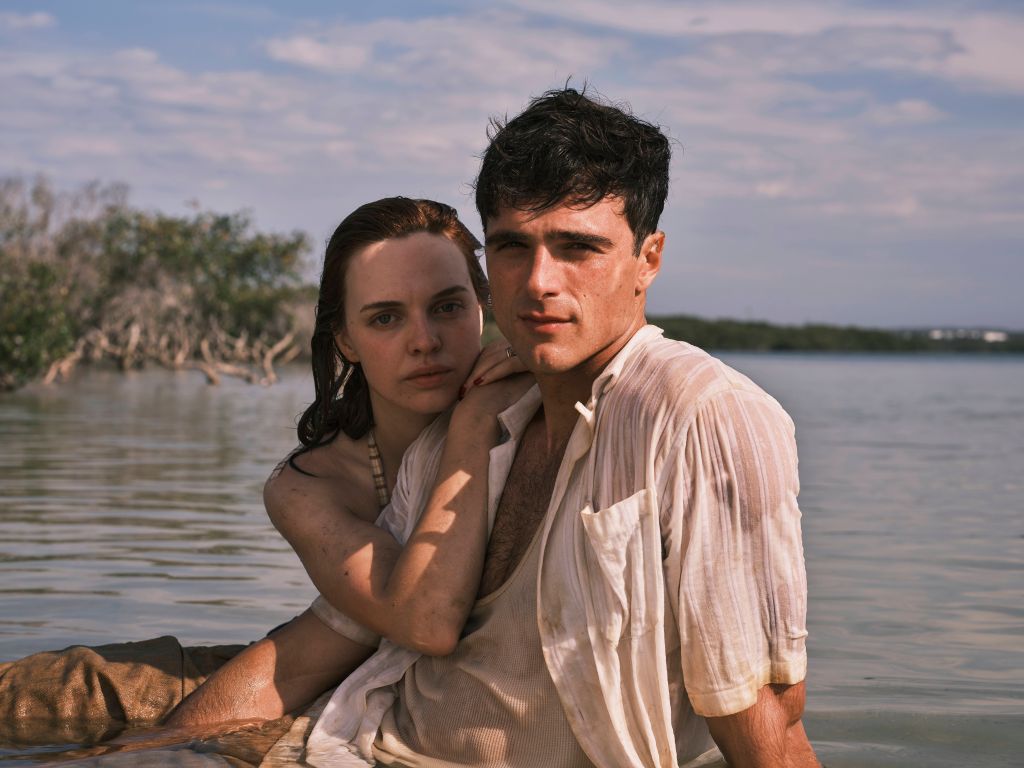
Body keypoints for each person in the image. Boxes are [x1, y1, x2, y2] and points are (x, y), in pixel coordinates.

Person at [291, 88, 818, 767]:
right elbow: (334, 637)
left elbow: (764, 714)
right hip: (348, 741)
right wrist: (173, 740)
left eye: (577, 247)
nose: (539, 281)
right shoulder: (475, 418)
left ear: (648, 259)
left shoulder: (700, 415)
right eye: (513, 246)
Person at [0, 197, 529, 751]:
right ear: (346, 339)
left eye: (447, 307)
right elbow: (331, 642)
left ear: (482, 306)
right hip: (302, 671)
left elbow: (422, 623)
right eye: (385, 318)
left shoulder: (535, 410)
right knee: (57, 690)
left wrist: (487, 411)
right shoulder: (309, 485)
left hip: (381, 695)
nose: (424, 340)